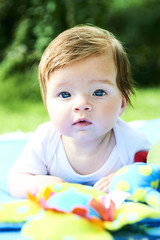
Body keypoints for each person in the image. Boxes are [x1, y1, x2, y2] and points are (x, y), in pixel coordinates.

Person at [8, 25, 151, 198]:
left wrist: (123, 179)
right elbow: (16, 181)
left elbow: (151, 174)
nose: (82, 105)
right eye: (65, 94)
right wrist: (40, 184)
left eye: (99, 92)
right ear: (47, 104)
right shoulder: (45, 140)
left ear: (122, 102)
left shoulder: (132, 143)